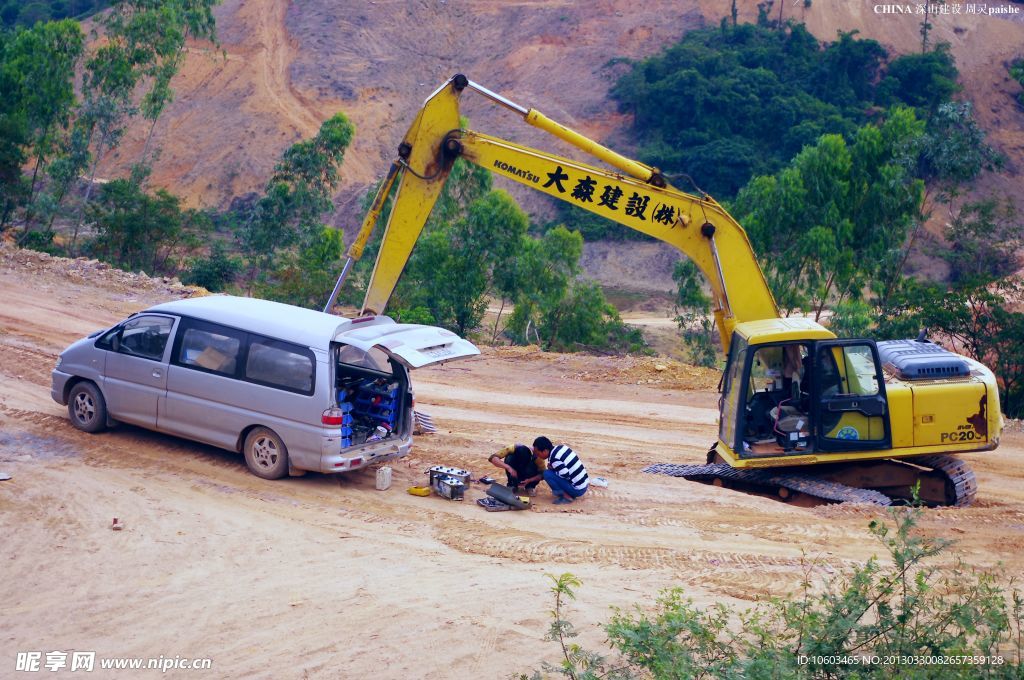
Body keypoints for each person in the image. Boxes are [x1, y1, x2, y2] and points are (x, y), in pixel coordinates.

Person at [533, 436, 588, 505]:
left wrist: (553, 469)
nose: (538, 456)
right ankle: (568, 493)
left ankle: (567, 497)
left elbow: (565, 475)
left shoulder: (554, 458)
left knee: (547, 474)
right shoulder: (561, 447)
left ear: (545, 451)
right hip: (584, 485)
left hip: (578, 490)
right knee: (551, 472)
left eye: (538, 454)